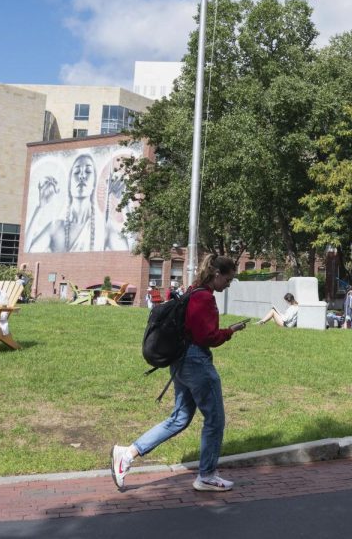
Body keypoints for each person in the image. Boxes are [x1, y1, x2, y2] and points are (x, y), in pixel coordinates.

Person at [111, 255, 246, 493]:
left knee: (179, 419)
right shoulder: (204, 297)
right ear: (217, 275)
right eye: (228, 279)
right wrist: (229, 331)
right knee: (215, 420)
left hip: (180, 362)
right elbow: (208, 337)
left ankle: (128, 453)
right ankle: (206, 475)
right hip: (197, 363)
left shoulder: (192, 291)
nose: (228, 284)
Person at [25, 153, 98, 252]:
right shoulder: (55, 227)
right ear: (69, 184)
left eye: (88, 171)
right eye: (76, 172)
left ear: (94, 183)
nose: (81, 176)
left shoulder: (103, 229)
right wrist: (40, 206)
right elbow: (26, 253)